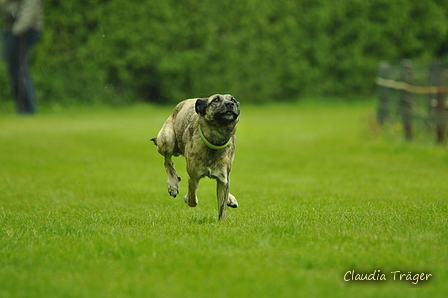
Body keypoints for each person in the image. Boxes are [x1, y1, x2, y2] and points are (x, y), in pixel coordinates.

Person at [1, 0, 43, 114]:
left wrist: (16, 32)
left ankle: (28, 109)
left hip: (25, 30)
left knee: (19, 69)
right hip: (13, 29)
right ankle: (24, 108)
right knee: (16, 69)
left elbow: (29, 11)